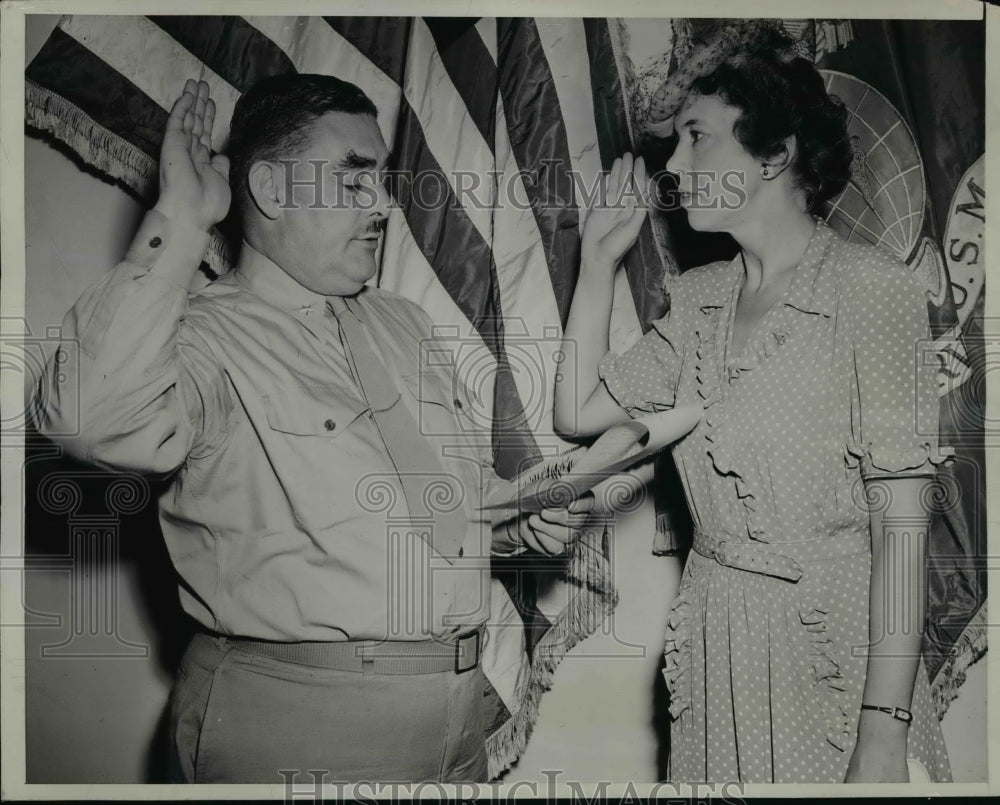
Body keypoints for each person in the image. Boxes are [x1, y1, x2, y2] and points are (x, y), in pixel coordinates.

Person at [32, 75, 596, 784]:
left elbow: (443, 506)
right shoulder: (202, 337)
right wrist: (181, 216)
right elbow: (84, 419)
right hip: (300, 727)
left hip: (459, 717)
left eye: (383, 181)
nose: (385, 206)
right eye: (355, 181)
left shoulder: (402, 323)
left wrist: (519, 523)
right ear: (269, 190)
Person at [553, 25, 952, 784]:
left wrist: (881, 733)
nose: (672, 167)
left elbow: (902, 534)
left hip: (838, 660)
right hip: (716, 652)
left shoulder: (874, 291)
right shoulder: (699, 300)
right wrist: (600, 262)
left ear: (775, 154)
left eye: (696, 138)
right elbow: (576, 408)